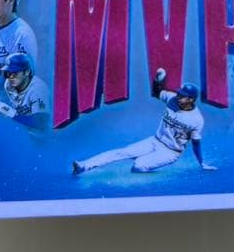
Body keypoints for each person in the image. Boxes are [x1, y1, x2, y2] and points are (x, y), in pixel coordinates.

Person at [72, 70, 216, 175]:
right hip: (154, 141)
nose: (178, 96)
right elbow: (156, 93)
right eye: (179, 93)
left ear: (191, 99)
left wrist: (202, 163)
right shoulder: (172, 98)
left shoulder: (196, 119)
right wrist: (157, 80)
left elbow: (196, 143)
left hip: (170, 152)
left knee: (138, 166)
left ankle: (157, 175)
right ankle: (84, 166)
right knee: (122, 152)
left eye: (182, 96)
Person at [0, 52, 50, 129]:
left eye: (15, 73)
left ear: (27, 72)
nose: (11, 77)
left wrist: (11, 113)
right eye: (8, 73)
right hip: (26, 128)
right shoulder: (8, 85)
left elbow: (41, 123)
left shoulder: (38, 90)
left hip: (48, 132)